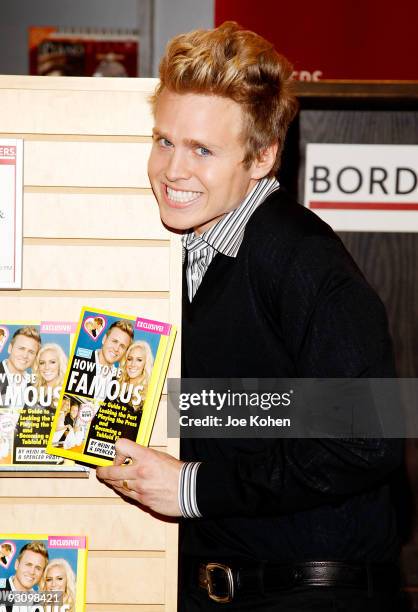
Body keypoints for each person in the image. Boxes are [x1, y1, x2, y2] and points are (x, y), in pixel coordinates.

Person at [97, 22, 403, 611]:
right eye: (165, 141)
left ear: (262, 157)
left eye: (202, 150)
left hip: (312, 596)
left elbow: (367, 437)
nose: (172, 170)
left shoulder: (300, 257)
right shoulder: (192, 248)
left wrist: (190, 487)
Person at [66, 320, 134, 401]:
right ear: (104, 339)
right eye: (114, 341)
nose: (116, 348)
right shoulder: (74, 363)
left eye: (122, 346)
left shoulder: (119, 382)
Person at [0, 541, 48, 612]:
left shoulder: (42, 604)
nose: (32, 572)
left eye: (38, 568)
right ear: (17, 564)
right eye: (28, 564)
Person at [0, 327, 41, 408]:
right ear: (10, 348)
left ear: (35, 357)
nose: (25, 355)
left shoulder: (34, 387)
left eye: (31, 352)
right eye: (21, 348)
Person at [118, 340, 154, 410]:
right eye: (130, 359)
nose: (133, 364)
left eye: (139, 360)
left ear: (145, 363)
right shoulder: (116, 383)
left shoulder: (148, 393)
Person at [33, 343, 68, 409]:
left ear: (60, 364)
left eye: (52, 362)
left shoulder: (65, 393)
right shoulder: (33, 389)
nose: (46, 367)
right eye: (42, 363)